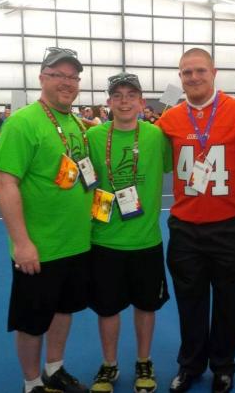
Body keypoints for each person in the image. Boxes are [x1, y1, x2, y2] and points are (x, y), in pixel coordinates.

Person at [156, 48, 235, 393]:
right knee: (189, 302)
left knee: (228, 301)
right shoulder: (170, 119)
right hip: (185, 228)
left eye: (199, 71)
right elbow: (135, 139)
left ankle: (223, 365)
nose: (193, 78)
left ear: (214, 72)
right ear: (180, 77)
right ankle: (190, 365)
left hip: (228, 227)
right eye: (186, 72)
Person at [0, 47, 94, 393]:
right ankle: (32, 381)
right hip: (39, 248)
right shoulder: (22, 123)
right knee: (32, 321)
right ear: (42, 78)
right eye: (58, 75)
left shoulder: (77, 123)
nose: (67, 82)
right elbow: (5, 183)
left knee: (65, 310)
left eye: (72, 76)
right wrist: (22, 242)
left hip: (77, 242)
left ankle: (54, 369)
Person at [87, 72, 171, 393]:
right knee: (107, 309)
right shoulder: (93, 137)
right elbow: (86, 182)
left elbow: (173, 166)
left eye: (130, 95)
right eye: (117, 95)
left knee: (146, 306)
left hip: (146, 241)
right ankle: (109, 365)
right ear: (108, 102)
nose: (124, 100)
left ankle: (143, 361)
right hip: (104, 240)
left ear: (140, 101)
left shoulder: (156, 136)